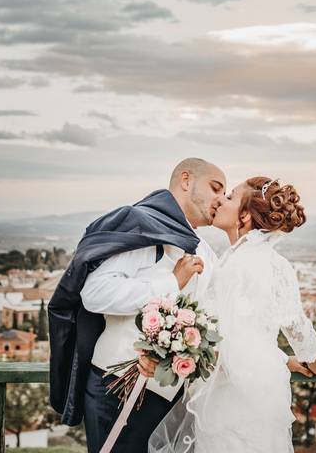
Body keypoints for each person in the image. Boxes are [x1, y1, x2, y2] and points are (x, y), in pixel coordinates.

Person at [47, 158, 226, 453]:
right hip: (119, 389)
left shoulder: (203, 247)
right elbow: (95, 293)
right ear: (185, 180)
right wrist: (171, 283)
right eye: (215, 187)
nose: (221, 198)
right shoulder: (143, 226)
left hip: (168, 400)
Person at [147, 177, 316, 453]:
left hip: (228, 404)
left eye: (231, 197)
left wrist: (310, 362)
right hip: (246, 401)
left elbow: (287, 327)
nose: (221, 199)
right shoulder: (261, 262)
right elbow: (270, 330)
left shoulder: (236, 263)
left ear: (245, 216)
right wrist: (315, 363)